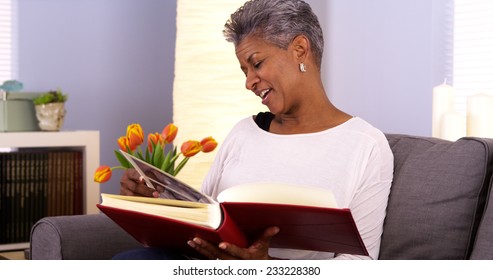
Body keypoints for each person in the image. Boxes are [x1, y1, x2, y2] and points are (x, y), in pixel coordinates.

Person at [117, 0, 393, 260]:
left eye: (257, 63)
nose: (249, 82)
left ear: (299, 49)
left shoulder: (365, 145)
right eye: (244, 70)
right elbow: (205, 223)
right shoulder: (243, 133)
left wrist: (267, 267)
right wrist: (156, 203)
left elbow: (358, 263)